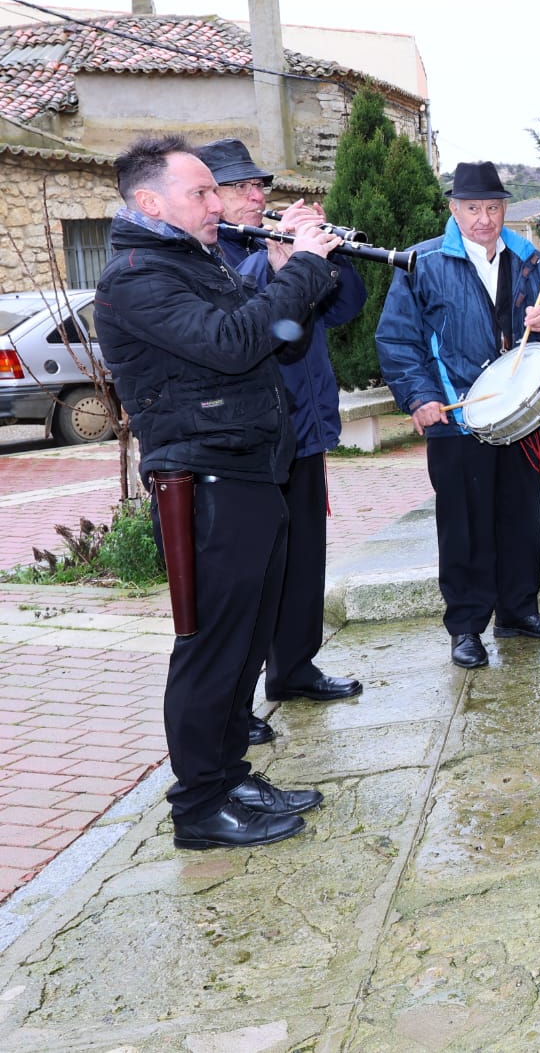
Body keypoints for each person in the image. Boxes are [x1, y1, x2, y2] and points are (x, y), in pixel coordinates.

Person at [95, 135, 341, 848]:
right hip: (204, 478)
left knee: (248, 636)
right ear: (151, 203)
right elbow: (232, 342)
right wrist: (299, 276)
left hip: (249, 467)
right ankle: (200, 804)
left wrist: (294, 271)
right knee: (210, 646)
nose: (216, 204)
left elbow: (280, 340)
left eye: (214, 192)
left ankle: (231, 773)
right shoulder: (137, 275)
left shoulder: (193, 261)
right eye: (200, 193)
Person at [376, 161, 540, 668]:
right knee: (464, 526)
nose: (484, 218)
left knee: (520, 517)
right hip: (455, 416)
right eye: (473, 208)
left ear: (504, 208)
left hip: (521, 416)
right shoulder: (421, 263)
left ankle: (518, 612)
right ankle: (467, 627)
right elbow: (397, 339)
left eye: (492, 207)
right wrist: (418, 397)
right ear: (454, 209)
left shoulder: (531, 260)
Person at [197, 139, 366, 743]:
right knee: (252, 573)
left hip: (305, 424)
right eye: (240, 187)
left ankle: (294, 668)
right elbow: (236, 314)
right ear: (207, 194)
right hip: (250, 437)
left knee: (303, 558)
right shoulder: (212, 252)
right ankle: (235, 706)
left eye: (258, 185)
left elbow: (346, 308)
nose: (256, 195)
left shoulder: (270, 243)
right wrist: (285, 262)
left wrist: (327, 253)